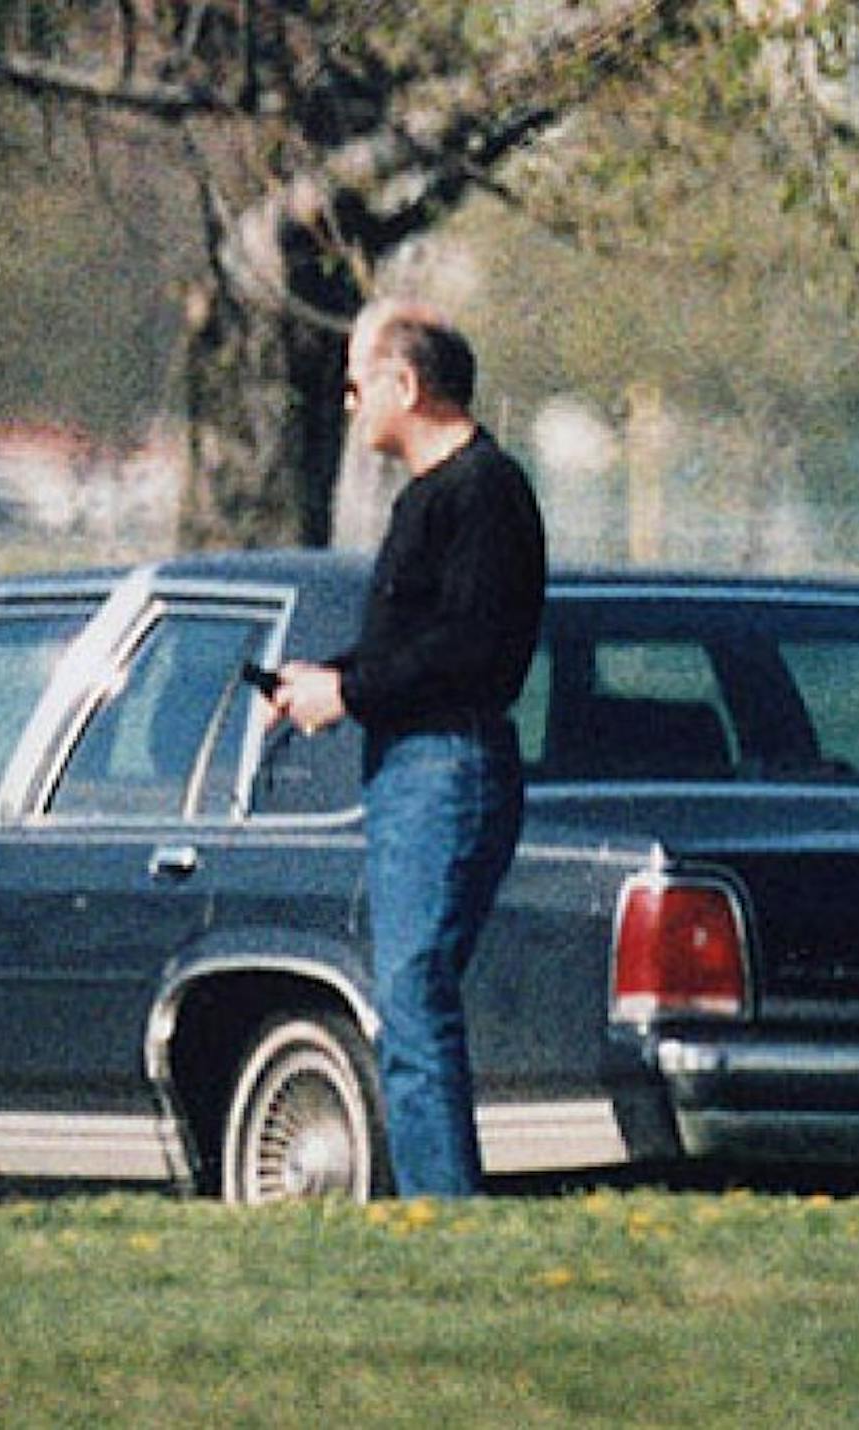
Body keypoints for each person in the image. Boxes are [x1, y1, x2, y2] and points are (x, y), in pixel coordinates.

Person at [268, 297, 547, 1198]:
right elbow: (412, 644)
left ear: (405, 383)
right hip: (406, 767)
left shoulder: (483, 490)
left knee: (415, 992)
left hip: (446, 766)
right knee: (408, 997)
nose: (348, 404)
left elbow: (470, 647)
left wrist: (348, 693)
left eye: (356, 385)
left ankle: (444, 1208)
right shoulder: (427, 496)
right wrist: (329, 679)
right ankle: (431, 1199)